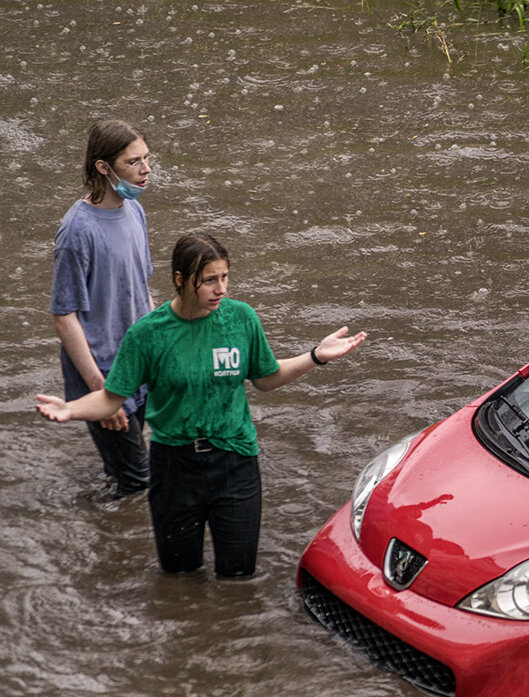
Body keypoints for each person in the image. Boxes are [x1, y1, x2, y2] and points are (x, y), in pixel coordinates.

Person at [37, 232, 368, 579]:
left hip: (235, 462)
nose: (221, 289)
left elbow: (267, 377)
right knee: (178, 576)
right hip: (174, 467)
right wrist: (70, 409)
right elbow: (111, 398)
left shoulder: (240, 318)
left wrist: (315, 356)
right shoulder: (149, 334)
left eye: (224, 277)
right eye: (209, 280)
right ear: (180, 280)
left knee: (238, 578)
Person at [50, 119, 156, 496]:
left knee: (124, 470)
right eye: (133, 162)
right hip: (104, 375)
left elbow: (142, 292)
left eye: (147, 159)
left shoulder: (134, 212)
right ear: (103, 167)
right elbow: (64, 316)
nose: (146, 171)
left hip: (137, 366)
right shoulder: (77, 231)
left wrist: (161, 353)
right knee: (139, 482)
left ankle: (104, 529)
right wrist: (105, 391)